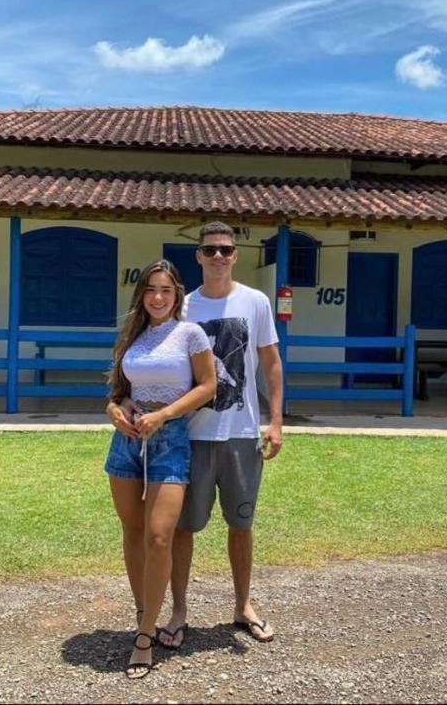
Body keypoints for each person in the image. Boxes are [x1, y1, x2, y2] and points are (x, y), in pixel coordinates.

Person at [161, 220, 284, 646]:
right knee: (183, 526)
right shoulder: (184, 307)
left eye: (226, 250)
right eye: (210, 250)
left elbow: (270, 363)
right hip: (191, 434)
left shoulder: (256, 302)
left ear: (236, 255)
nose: (218, 256)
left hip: (241, 430)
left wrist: (276, 421)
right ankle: (178, 610)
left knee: (241, 523)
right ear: (197, 256)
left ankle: (243, 604)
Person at [104, 259, 215, 679]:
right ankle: (143, 612)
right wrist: (116, 409)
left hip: (170, 440)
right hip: (128, 441)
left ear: (177, 294)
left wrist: (164, 414)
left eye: (165, 290)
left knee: (158, 536)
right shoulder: (133, 336)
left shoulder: (190, 333)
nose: (157, 297)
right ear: (141, 294)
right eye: (151, 289)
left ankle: (145, 636)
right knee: (132, 531)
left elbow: (208, 386)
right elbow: (118, 392)